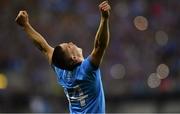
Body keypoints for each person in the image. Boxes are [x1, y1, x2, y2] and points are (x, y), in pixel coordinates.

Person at [15, 1, 111, 113]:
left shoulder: (62, 72)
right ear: (73, 59)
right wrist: (104, 19)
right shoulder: (87, 69)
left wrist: (25, 26)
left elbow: (43, 47)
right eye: (69, 47)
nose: (71, 43)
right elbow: (100, 45)